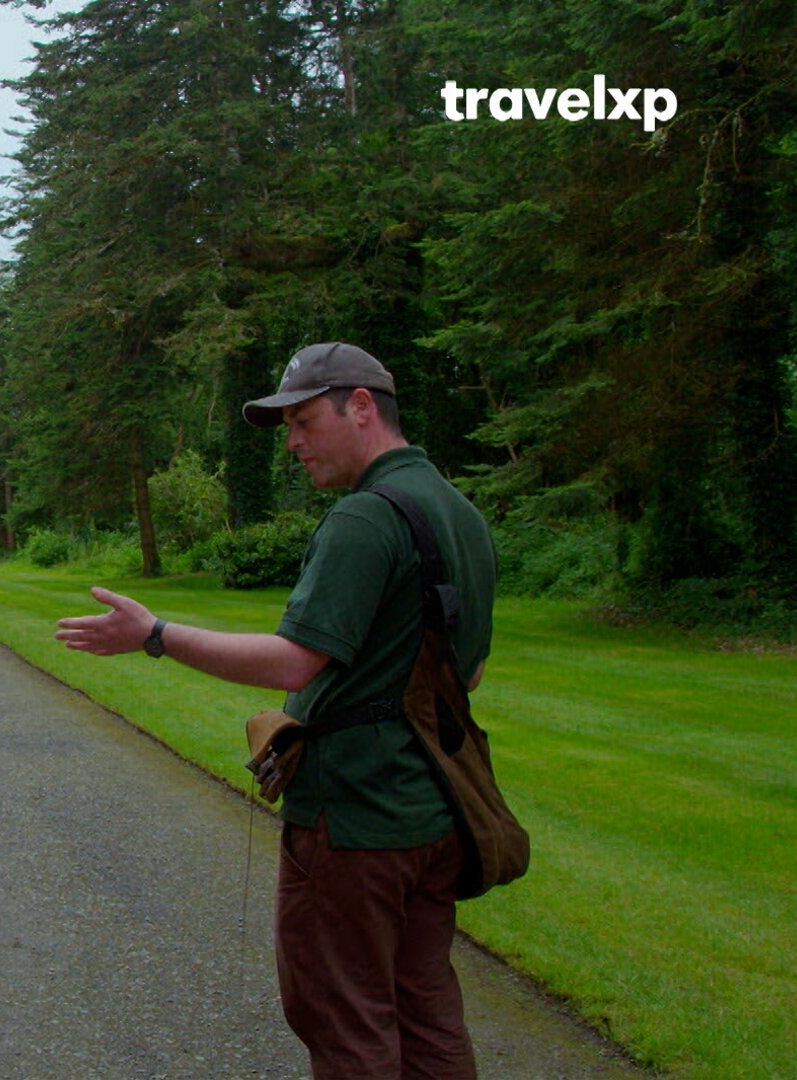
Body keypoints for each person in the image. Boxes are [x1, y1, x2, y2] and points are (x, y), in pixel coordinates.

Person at [55, 342, 497, 1079]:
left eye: (302, 420)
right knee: (427, 1012)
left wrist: (155, 636)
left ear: (361, 407)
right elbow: (470, 669)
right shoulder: (460, 512)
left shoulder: (365, 517)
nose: (291, 443)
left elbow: (295, 659)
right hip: (434, 812)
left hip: (354, 820)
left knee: (345, 1016)